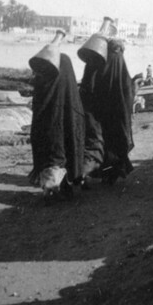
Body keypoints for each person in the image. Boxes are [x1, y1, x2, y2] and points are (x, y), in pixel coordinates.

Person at [29, 52, 87, 203]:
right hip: (63, 133)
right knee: (63, 154)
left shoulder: (43, 86)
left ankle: (52, 188)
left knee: (51, 156)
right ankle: (59, 187)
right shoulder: (70, 92)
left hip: (47, 133)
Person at [79, 38, 135, 185]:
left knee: (98, 142)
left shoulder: (96, 65)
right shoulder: (121, 68)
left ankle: (96, 172)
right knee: (116, 141)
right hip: (116, 116)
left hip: (98, 116)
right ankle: (110, 173)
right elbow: (127, 96)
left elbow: (87, 90)